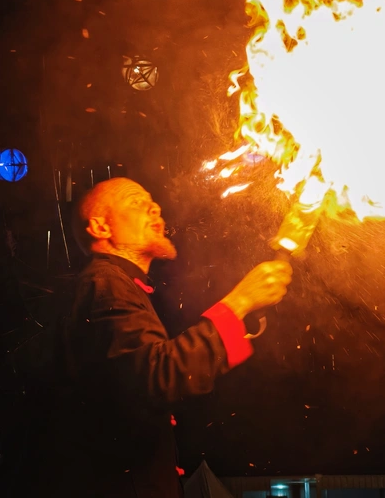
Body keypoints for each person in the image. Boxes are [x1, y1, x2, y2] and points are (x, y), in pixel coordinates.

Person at [28, 177, 292, 498]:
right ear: (100, 227)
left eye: (152, 201)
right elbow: (158, 376)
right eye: (136, 202)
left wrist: (242, 315)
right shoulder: (104, 283)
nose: (155, 208)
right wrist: (241, 302)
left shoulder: (116, 285)